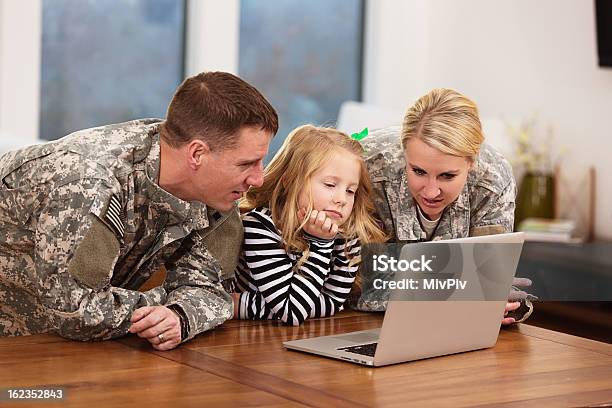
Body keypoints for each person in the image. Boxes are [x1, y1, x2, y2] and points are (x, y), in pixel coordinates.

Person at [0, 71, 278, 350]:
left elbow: (213, 290)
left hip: (63, 349)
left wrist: (179, 317)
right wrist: (166, 303)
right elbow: (77, 311)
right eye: (246, 164)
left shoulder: (217, 192)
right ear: (197, 154)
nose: (258, 179)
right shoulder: (89, 182)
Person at [357, 88, 535, 323]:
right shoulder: (366, 167)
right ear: (404, 153)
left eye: (447, 176)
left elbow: (489, 278)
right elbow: (356, 282)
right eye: (418, 171)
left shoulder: (493, 179)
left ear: (472, 162)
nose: (431, 192)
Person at [233, 125, 386, 325]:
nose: (342, 199)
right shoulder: (260, 226)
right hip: (245, 342)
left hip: (295, 335)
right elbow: (293, 312)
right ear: (290, 182)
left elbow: (333, 303)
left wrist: (245, 306)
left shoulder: (347, 234)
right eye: (330, 185)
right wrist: (321, 245)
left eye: (350, 191)